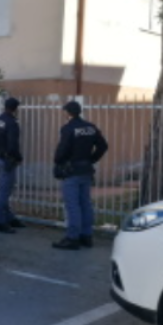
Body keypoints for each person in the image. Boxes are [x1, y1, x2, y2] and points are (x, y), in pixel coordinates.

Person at [52, 100, 109, 250]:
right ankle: (86, 236)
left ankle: (72, 238)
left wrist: (58, 160)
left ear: (68, 113)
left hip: (72, 171)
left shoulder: (68, 128)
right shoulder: (91, 127)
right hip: (86, 170)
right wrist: (91, 160)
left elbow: (62, 150)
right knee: (85, 203)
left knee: (72, 205)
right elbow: (103, 146)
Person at [0, 97, 25, 233]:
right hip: (6, 161)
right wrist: (18, 157)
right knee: (4, 192)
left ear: (5, 106)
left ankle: (9, 217)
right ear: (15, 109)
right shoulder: (12, 123)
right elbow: (13, 144)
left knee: (3, 189)